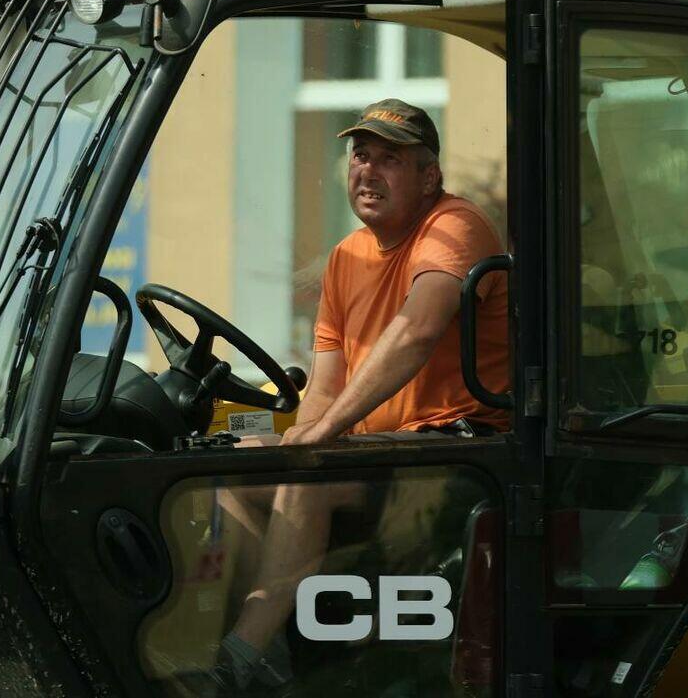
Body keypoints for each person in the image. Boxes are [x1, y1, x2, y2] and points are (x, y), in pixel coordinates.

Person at [211, 99, 509, 691]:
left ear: (429, 176)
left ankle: (240, 659)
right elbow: (324, 389)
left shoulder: (454, 226)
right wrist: (298, 436)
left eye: (390, 160)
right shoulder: (347, 257)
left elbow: (417, 330)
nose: (368, 171)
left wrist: (320, 437)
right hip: (383, 456)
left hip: (456, 458)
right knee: (229, 464)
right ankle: (268, 638)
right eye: (361, 155)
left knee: (306, 482)